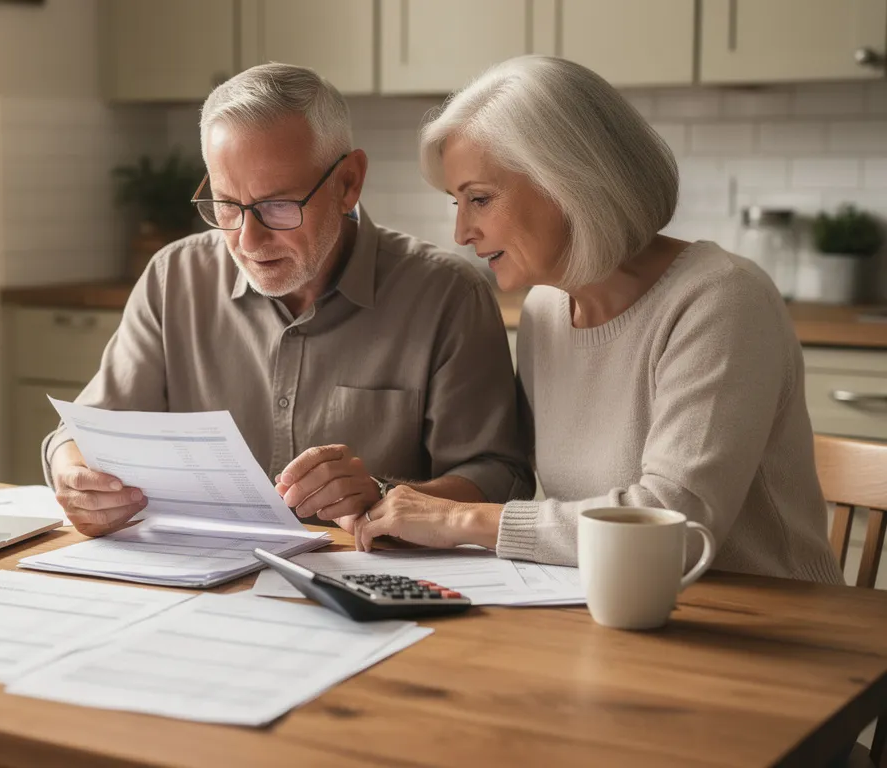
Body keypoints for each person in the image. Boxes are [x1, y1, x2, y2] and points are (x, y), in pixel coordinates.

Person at [341, 55, 841, 583]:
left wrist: (461, 519)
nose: (462, 232)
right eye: (457, 203)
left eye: (480, 200)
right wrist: (395, 503)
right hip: (608, 610)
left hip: (768, 625)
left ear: (570, 182)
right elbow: (549, 504)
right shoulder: (546, 309)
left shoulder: (722, 300)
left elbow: (671, 522)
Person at [44, 63, 533, 537]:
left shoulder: (447, 296)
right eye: (226, 205)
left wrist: (382, 493)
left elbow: (499, 477)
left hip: (365, 594)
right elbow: (81, 435)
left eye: (278, 205)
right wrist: (75, 478)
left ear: (348, 183)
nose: (248, 241)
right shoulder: (174, 278)